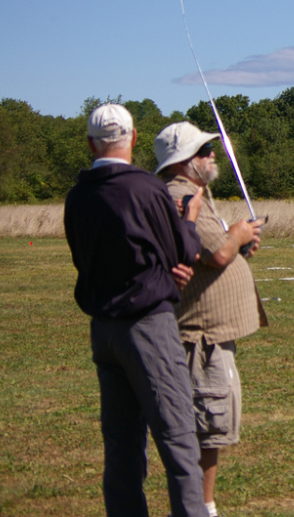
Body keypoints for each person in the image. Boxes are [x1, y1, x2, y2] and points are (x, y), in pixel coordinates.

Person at [64, 104, 210, 517]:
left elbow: (84, 257)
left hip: (104, 331)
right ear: (133, 137)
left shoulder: (78, 196)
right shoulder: (147, 189)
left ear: (92, 143)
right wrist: (190, 220)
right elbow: (183, 252)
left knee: (122, 444)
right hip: (148, 326)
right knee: (179, 438)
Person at [154, 121, 267, 517]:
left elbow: (212, 252)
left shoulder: (195, 196)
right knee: (206, 424)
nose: (212, 156)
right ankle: (199, 509)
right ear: (184, 162)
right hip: (200, 337)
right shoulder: (179, 197)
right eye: (204, 151)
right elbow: (218, 254)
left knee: (212, 425)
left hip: (212, 335)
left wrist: (238, 240)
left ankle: (201, 507)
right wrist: (235, 237)